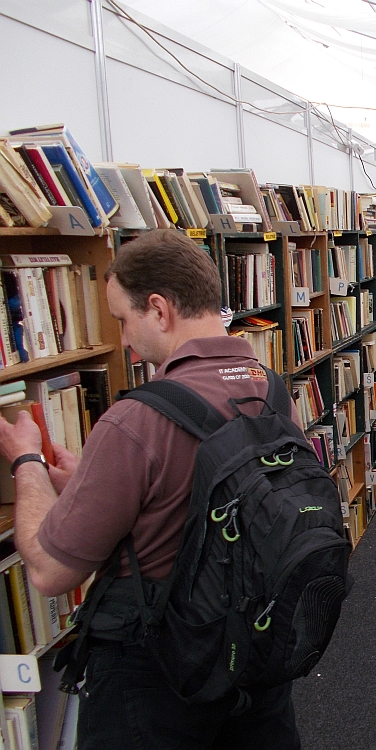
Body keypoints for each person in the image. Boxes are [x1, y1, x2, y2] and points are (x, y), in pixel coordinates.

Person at [0, 229, 304, 749]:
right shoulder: (269, 387)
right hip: (252, 650)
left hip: (159, 677)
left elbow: (51, 572)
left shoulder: (135, 420)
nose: (121, 339)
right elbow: (210, 496)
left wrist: (26, 462)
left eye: (122, 319)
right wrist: (93, 486)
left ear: (159, 310)